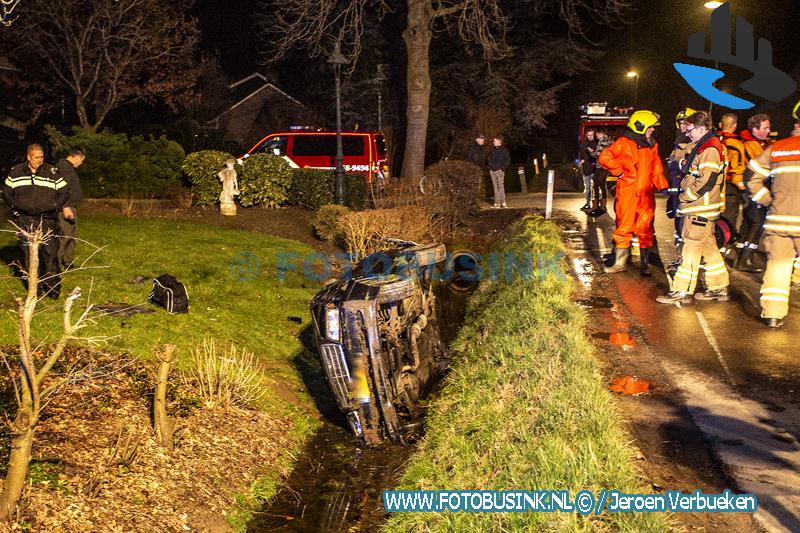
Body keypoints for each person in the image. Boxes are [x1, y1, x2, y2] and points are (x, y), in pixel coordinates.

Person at [657, 111, 729, 304]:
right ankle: (719, 287)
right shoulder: (705, 145)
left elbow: (705, 181)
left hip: (699, 208)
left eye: (689, 129)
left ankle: (681, 291)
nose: (687, 133)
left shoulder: (710, 148)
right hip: (704, 208)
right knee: (709, 247)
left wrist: (684, 197)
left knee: (689, 250)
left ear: (701, 128)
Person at [745, 103, 800, 327]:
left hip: (779, 219)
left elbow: (751, 179)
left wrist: (769, 201)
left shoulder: (778, 148)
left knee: (778, 266)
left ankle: (772, 315)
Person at [599, 110, 668, 276]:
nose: (652, 130)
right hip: (628, 191)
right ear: (641, 126)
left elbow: (656, 167)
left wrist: (662, 185)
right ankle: (620, 263)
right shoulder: (624, 143)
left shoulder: (652, 144)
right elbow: (604, 157)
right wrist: (619, 172)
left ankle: (645, 266)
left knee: (645, 228)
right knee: (624, 226)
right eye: (650, 127)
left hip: (646, 193)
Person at [2, 144, 70, 299]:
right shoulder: (17, 172)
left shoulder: (51, 172)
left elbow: (65, 191)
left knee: (50, 254)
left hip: (47, 219)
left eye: (42, 157)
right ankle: (35, 290)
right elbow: (7, 191)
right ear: (28, 157)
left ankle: (52, 288)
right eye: (37, 157)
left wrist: (55, 206)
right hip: (25, 219)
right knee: (28, 255)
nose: (40, 160)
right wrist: (16, 206)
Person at [736, 113, 772, 272]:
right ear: (755, 129)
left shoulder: (761, 143)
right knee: (757, 223)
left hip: (752, 188)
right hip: (751, 189)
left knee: (748, 224)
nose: (768, 131)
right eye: (765, 128)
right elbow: (762, 163)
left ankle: (740, 256)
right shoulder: (751, 144)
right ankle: (745, 259)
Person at [665, 107, 697, 266]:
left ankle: (685, 259)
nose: (683, 126)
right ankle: (680, 256)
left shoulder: (692, 143)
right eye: (681, 123)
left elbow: (683, 166)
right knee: (678, 223)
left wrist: (674, 164)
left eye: (686, 122)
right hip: (677, 189)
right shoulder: (678, 141)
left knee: (685, 224)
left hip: (686, 190)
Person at [56, 146, 85, 269]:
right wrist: (65, 206)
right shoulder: (64, 168)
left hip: (71, 205)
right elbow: (62, 189)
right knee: (65, 235)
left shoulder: (68, 168)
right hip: (67, 207)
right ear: (76, 156)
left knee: (72, 235)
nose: (81, 163)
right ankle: (55, 263)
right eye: (82, 160)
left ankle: (67, 261)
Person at [589, 129, 613, 216]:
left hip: (602, 166)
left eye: (597, 134)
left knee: (596, 182)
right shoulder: (609, 141)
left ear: (602, 134)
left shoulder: (603, 142)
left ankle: (597, 206)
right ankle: (601, 206)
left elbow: (598, 154)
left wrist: (591, 152)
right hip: (604, 165)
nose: (596, 136)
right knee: (601, 184)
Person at [487, 136, 510, 208]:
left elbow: (507, 160)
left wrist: (502, 168)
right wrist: (491, 168)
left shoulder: (504, 150)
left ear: (499, 142)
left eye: (494, 141)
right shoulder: (492, 150)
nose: (493, 142)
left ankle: (502, 202)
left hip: (499, 171)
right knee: (495, 187)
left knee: (500, 186)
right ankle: (496, 203)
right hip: (492, 171)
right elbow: (489, 160)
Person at [579, 129, 597, 211]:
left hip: (594, 168)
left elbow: (597, 156)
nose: (590, 137)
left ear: (594, 135)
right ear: (586, 135)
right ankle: (588, 203)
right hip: (586, 168)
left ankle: (596, 205)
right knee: (587, 187)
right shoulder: (584, 144)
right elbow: (581, 154)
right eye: (589, 135)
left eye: (591, 135)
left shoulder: (597, 144)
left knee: (595, 187)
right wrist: (581, 161)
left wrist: (593, 152)